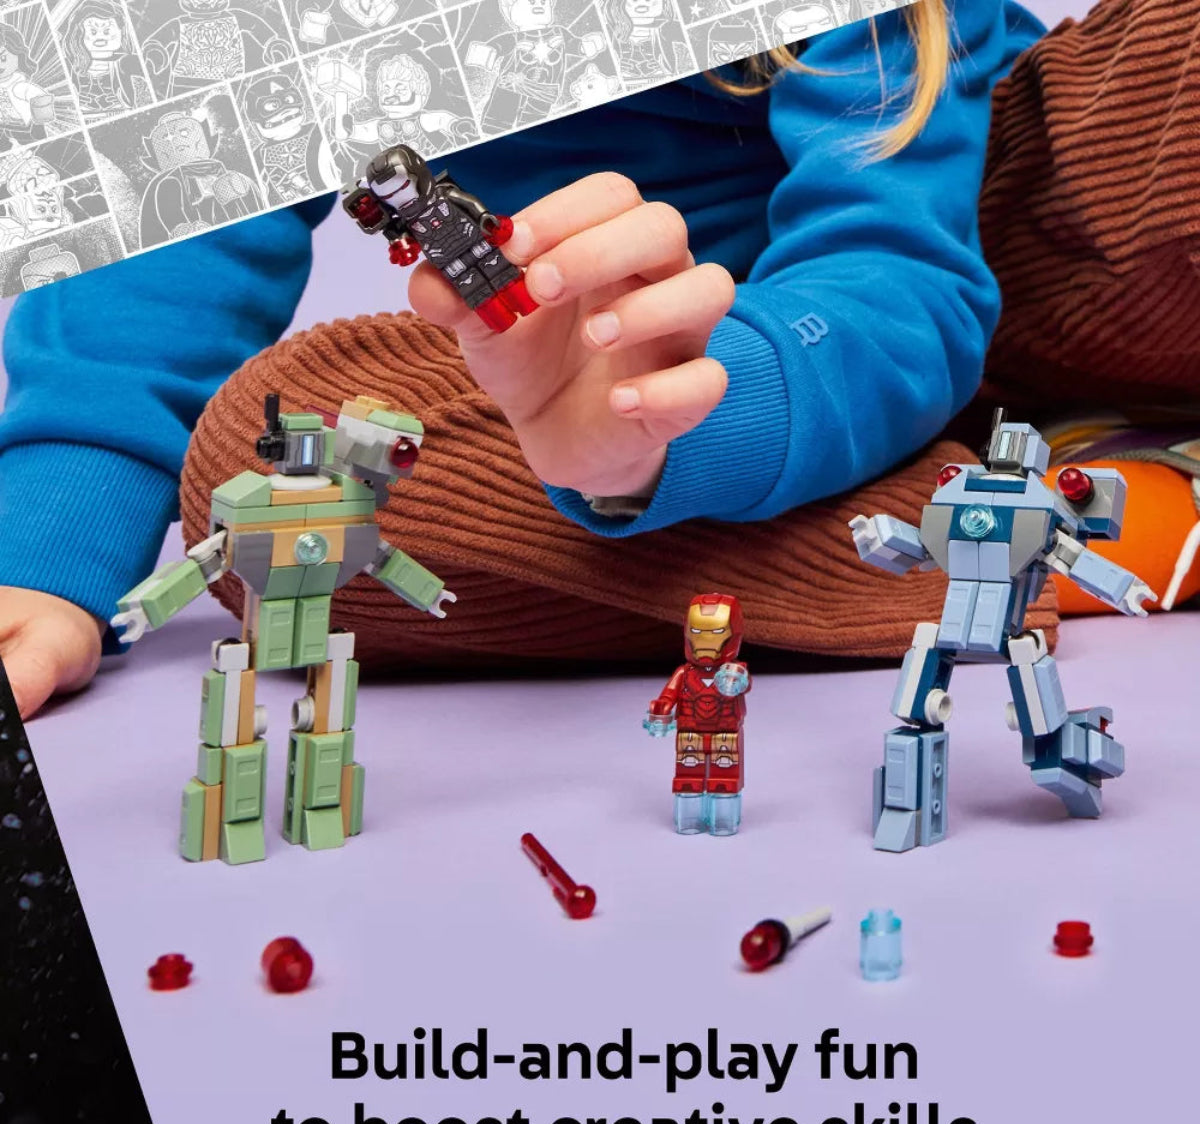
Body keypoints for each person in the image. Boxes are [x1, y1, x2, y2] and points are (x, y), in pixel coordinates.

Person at [0, 1, 1046, 717]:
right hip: (641, 380)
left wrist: (699, 394)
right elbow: (165, 245)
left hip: (1001, 207)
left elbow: (895, 275)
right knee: (288, 471)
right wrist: (44, 558)